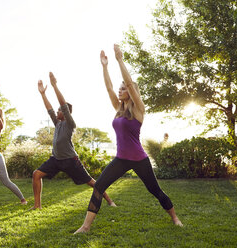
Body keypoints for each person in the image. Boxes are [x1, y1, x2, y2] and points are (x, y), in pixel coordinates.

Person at [74, 45, 182, 234]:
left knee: (155, 191)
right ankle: (85, 227)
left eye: (123, 88)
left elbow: (131, 84)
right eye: (120, 88)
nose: (120, 90)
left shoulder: (139, 109)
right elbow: (108, 88)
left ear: (130, 92)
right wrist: (104, 66)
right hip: (121, 159)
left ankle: (175, 218)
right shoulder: (119, 108)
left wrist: (120, 60)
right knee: (98, 186)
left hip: (139, 159)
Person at [31, 72, 116, 210]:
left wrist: (54, 86)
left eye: (60, 111)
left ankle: (109, 200)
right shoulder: (57, 123)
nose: (57, 112)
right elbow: (49, 109)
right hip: (56, 159)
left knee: (91, 182)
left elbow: (62, 105)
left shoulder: (70, 123)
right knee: (36, 174)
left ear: (65, 113)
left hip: (70, 160)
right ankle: (37, 206)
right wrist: (42, 94)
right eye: (58, 111)